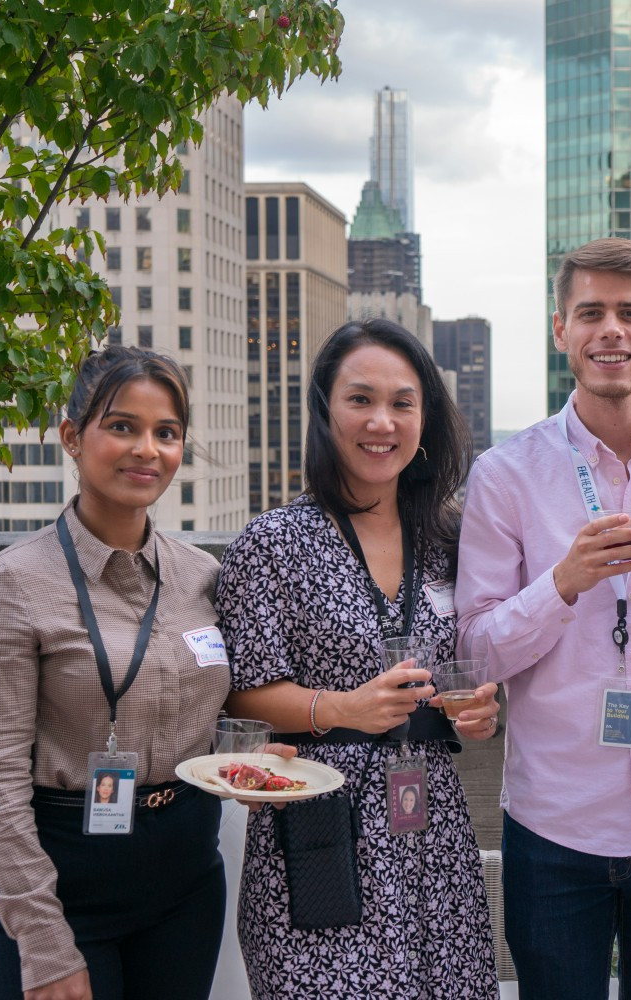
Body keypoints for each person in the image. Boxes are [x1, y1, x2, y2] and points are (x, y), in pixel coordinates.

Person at [455, 237, 631, 1000]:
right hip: (555, 828)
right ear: (560, 331)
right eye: (590, 313)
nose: (610, 330)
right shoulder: (505, 476)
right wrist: (563, 582)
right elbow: (475, 652)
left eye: (629, 313)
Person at [215, 318, 500, 1000]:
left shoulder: (453, 539)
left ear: (425, 418)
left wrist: (481, 707)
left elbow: (482, 649)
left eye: (403, 402)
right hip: (320, 827)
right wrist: (341, 709)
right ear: (324, 410)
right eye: (360, 399)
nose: (383, 421)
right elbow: (242, 695)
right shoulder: (272, 543)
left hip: (432, 830)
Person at [0, 346, 236, 1000]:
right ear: (73, 438)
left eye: (166, 433)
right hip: (59, 883)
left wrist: (242, 756)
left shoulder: (203, 577)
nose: (147, 449)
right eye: (122, 426)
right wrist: (44, 941)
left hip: (186, 884)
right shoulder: (9, 587)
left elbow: (204, 708)